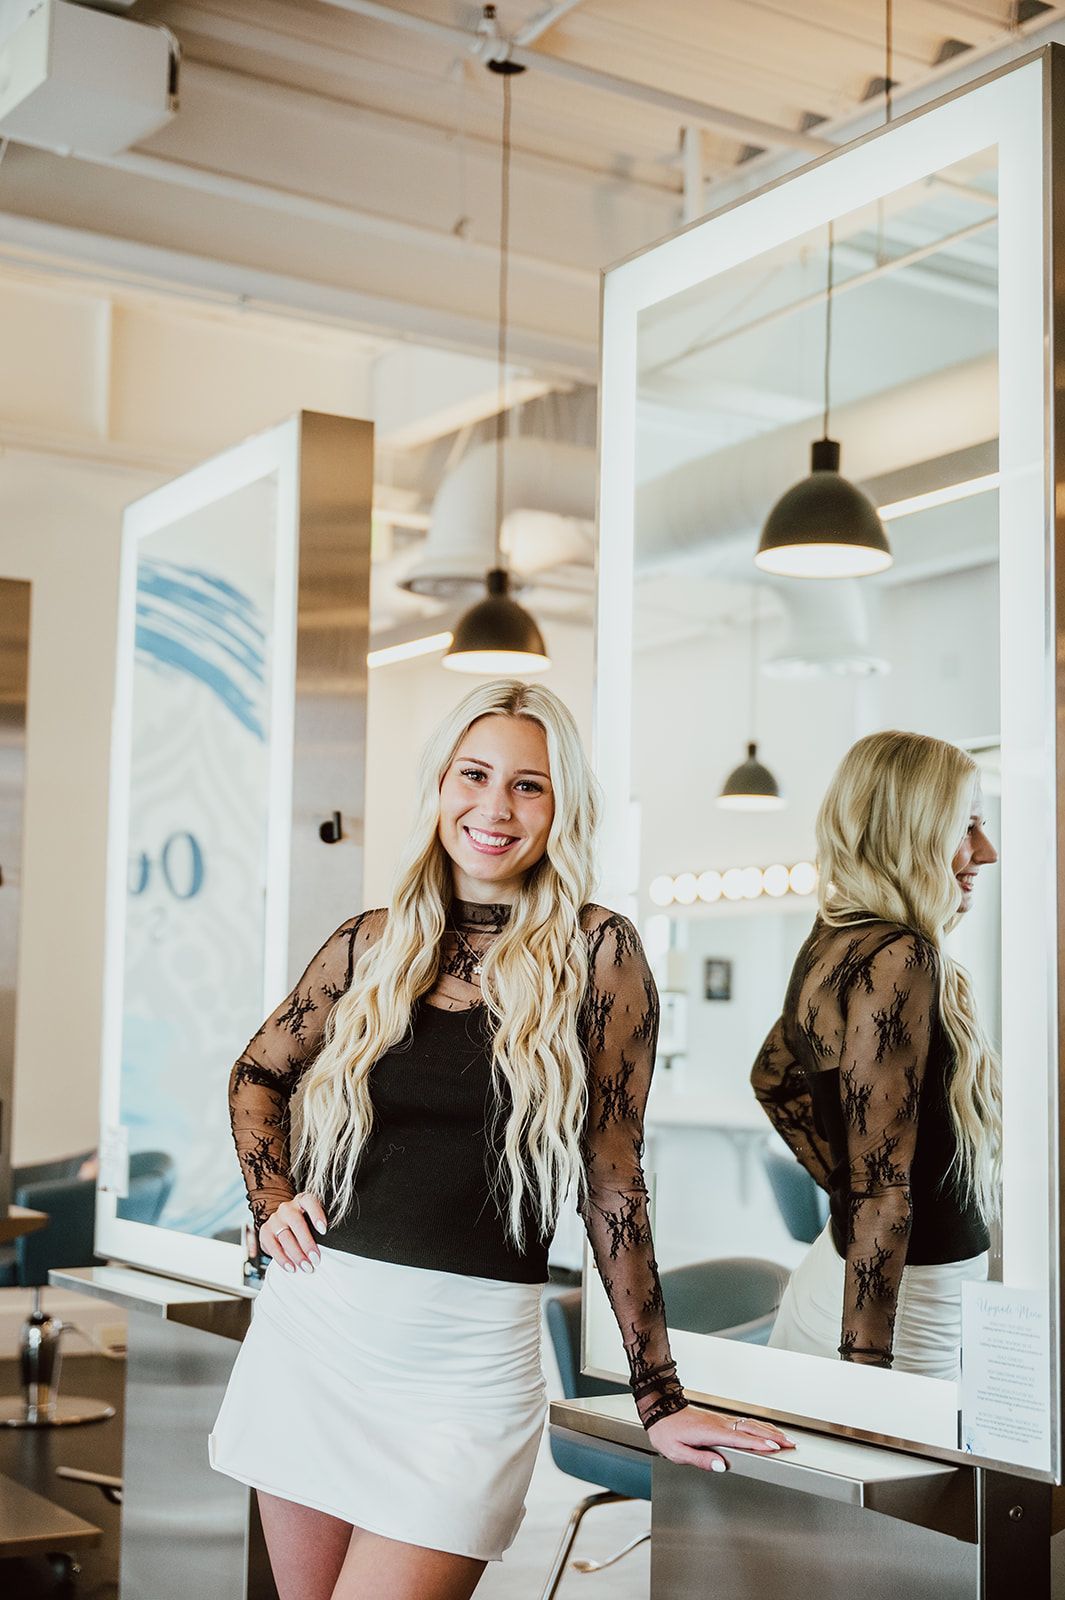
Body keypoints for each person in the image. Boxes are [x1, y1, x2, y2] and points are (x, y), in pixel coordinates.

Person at [209, 678, 791, 1600]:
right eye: (473, 775)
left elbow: (612, 1179)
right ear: (440, 786)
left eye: (528, 785)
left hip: (468, 1366)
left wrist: (658, 1397)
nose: (494, 807)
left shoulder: (597, 952)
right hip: (316, 1332)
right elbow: (257, 1075)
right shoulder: (369, 944)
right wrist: (271, 1198)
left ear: (561, 808)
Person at [751, 730, 1000, 1380]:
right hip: (903, 1312)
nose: (986, 850)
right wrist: (864, 1374)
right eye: (965, 826)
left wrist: (845, 1187)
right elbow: (881, 1188)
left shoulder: (834, 939)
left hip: (856, 1280)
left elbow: (772, 1075)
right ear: (908, 832)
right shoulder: (897, 957)